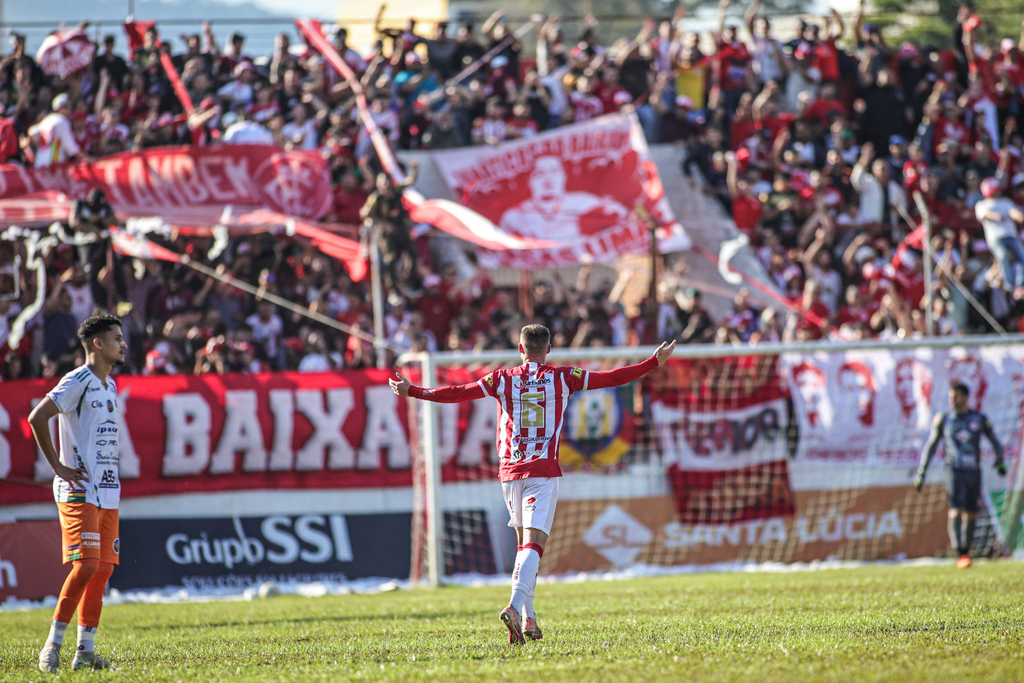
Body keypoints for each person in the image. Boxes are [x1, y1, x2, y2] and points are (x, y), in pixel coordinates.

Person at [389, 325, 675, 644]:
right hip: (541, 472)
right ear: (549, 349)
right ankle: (514, 607)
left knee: (524, 549)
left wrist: (413, 391)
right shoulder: (565, 377)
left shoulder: (501, 379)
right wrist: (652, 362)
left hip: (509, 473)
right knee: (533, 546)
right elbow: (612, 378)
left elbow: (458, 392)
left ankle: (530, 619)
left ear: (521, 349)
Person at [29, 315, 127, 672]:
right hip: (79, 489)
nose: (124, 344)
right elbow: (38, 417)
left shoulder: (110, 386)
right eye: (117, 338)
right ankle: (51, 646)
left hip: (108, 492)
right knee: (85, 565)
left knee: (102, 570)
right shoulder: (78, 380)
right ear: (98, 344)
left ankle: (85, 651)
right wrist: (58, 467)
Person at [915, 383, 1006, 569]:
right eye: (950, 397)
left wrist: (1000, 460)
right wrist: (922, 470)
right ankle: (960, 553)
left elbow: (995, 441)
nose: (952, 400)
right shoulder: (944, 419)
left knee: (972, 512)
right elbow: (931, 445)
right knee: (956, 509)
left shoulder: (978, 419)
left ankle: (966, 550)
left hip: (974, 471)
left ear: (965, 397)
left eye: (955, 396)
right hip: (954, 471)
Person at [975, 177, 1024, 297]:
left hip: (1011, 235)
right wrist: (998, 216)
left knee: (1022, 256)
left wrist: (1019, 216)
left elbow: (1015, 213)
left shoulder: (1006, 202)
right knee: (1002, 255)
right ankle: (1009, 285)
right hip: (995, 237)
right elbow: (985, 215)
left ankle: (1020, 285)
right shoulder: (982, 204)